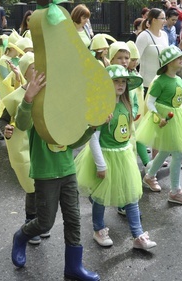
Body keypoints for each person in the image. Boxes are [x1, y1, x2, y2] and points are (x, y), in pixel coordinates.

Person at [10, 69, 100, 281]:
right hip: (45, 174)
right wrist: (29, 97)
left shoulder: (66, 109)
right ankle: (21, 236)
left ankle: (73, 267)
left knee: (73, 219)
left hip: (68, 170)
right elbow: (21, 125)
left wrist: (91, 129)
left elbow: (72, 142)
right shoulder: (37, 106)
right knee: (45, 223)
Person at [76, 64, 156, 250]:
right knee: (100, 197)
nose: (120, 85)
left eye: (123, 81)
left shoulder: (126, 104)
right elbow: (94, 138)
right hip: (105, 155)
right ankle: (98, 229)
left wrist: (129, 151)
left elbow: (126, 132)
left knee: (130, 195)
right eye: (116, 81)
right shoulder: (102, 107)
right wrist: (100, 164)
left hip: (123, 155)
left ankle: (138, 235)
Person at [137, 45, 182, 204]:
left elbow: (180, 101)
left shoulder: (179, 79)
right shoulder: (160, 81)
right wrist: (158, 117)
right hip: (165, 120)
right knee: (177, 153)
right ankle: (175, 191)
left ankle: (150, 175)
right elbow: (150, 102)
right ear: (168, 63)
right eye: (178, 58)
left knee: (166, 150)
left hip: (177, 117)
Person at [0, 53, 49, 245]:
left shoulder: (49, 92)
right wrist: (6, 130)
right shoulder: (15, 97)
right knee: (32, 188)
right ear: (25, 72)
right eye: (34, 68)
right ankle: (30, 222)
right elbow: (2, 120)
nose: (39, 71)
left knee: (45, 187)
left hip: (45, 146)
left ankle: (41, 222)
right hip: (25, 149)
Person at [135, 8, 169, 93]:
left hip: (163, 82)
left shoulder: (164, 35)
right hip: (147, 85)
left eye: (165, 18)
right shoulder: (144, 36)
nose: (165, 21)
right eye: (162, 18)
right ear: (154, 20)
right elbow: (135, 59)